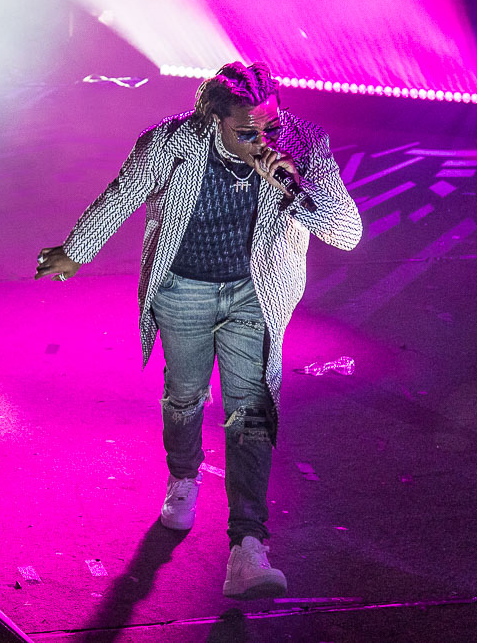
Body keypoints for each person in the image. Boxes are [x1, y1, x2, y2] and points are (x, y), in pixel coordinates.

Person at [36, 61, 361, 599]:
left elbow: (347, 232)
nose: (263, 140)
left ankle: (248, 546)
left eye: (270, 126)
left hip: (257, 293)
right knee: (185, 394)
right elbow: (122, 195)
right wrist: (75, 251)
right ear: (214, 119)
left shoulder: (302, 143)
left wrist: (292, 188)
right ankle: (184, 477)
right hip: (182, 289)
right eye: (247, 131)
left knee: (250, 411)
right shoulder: (170, 141)